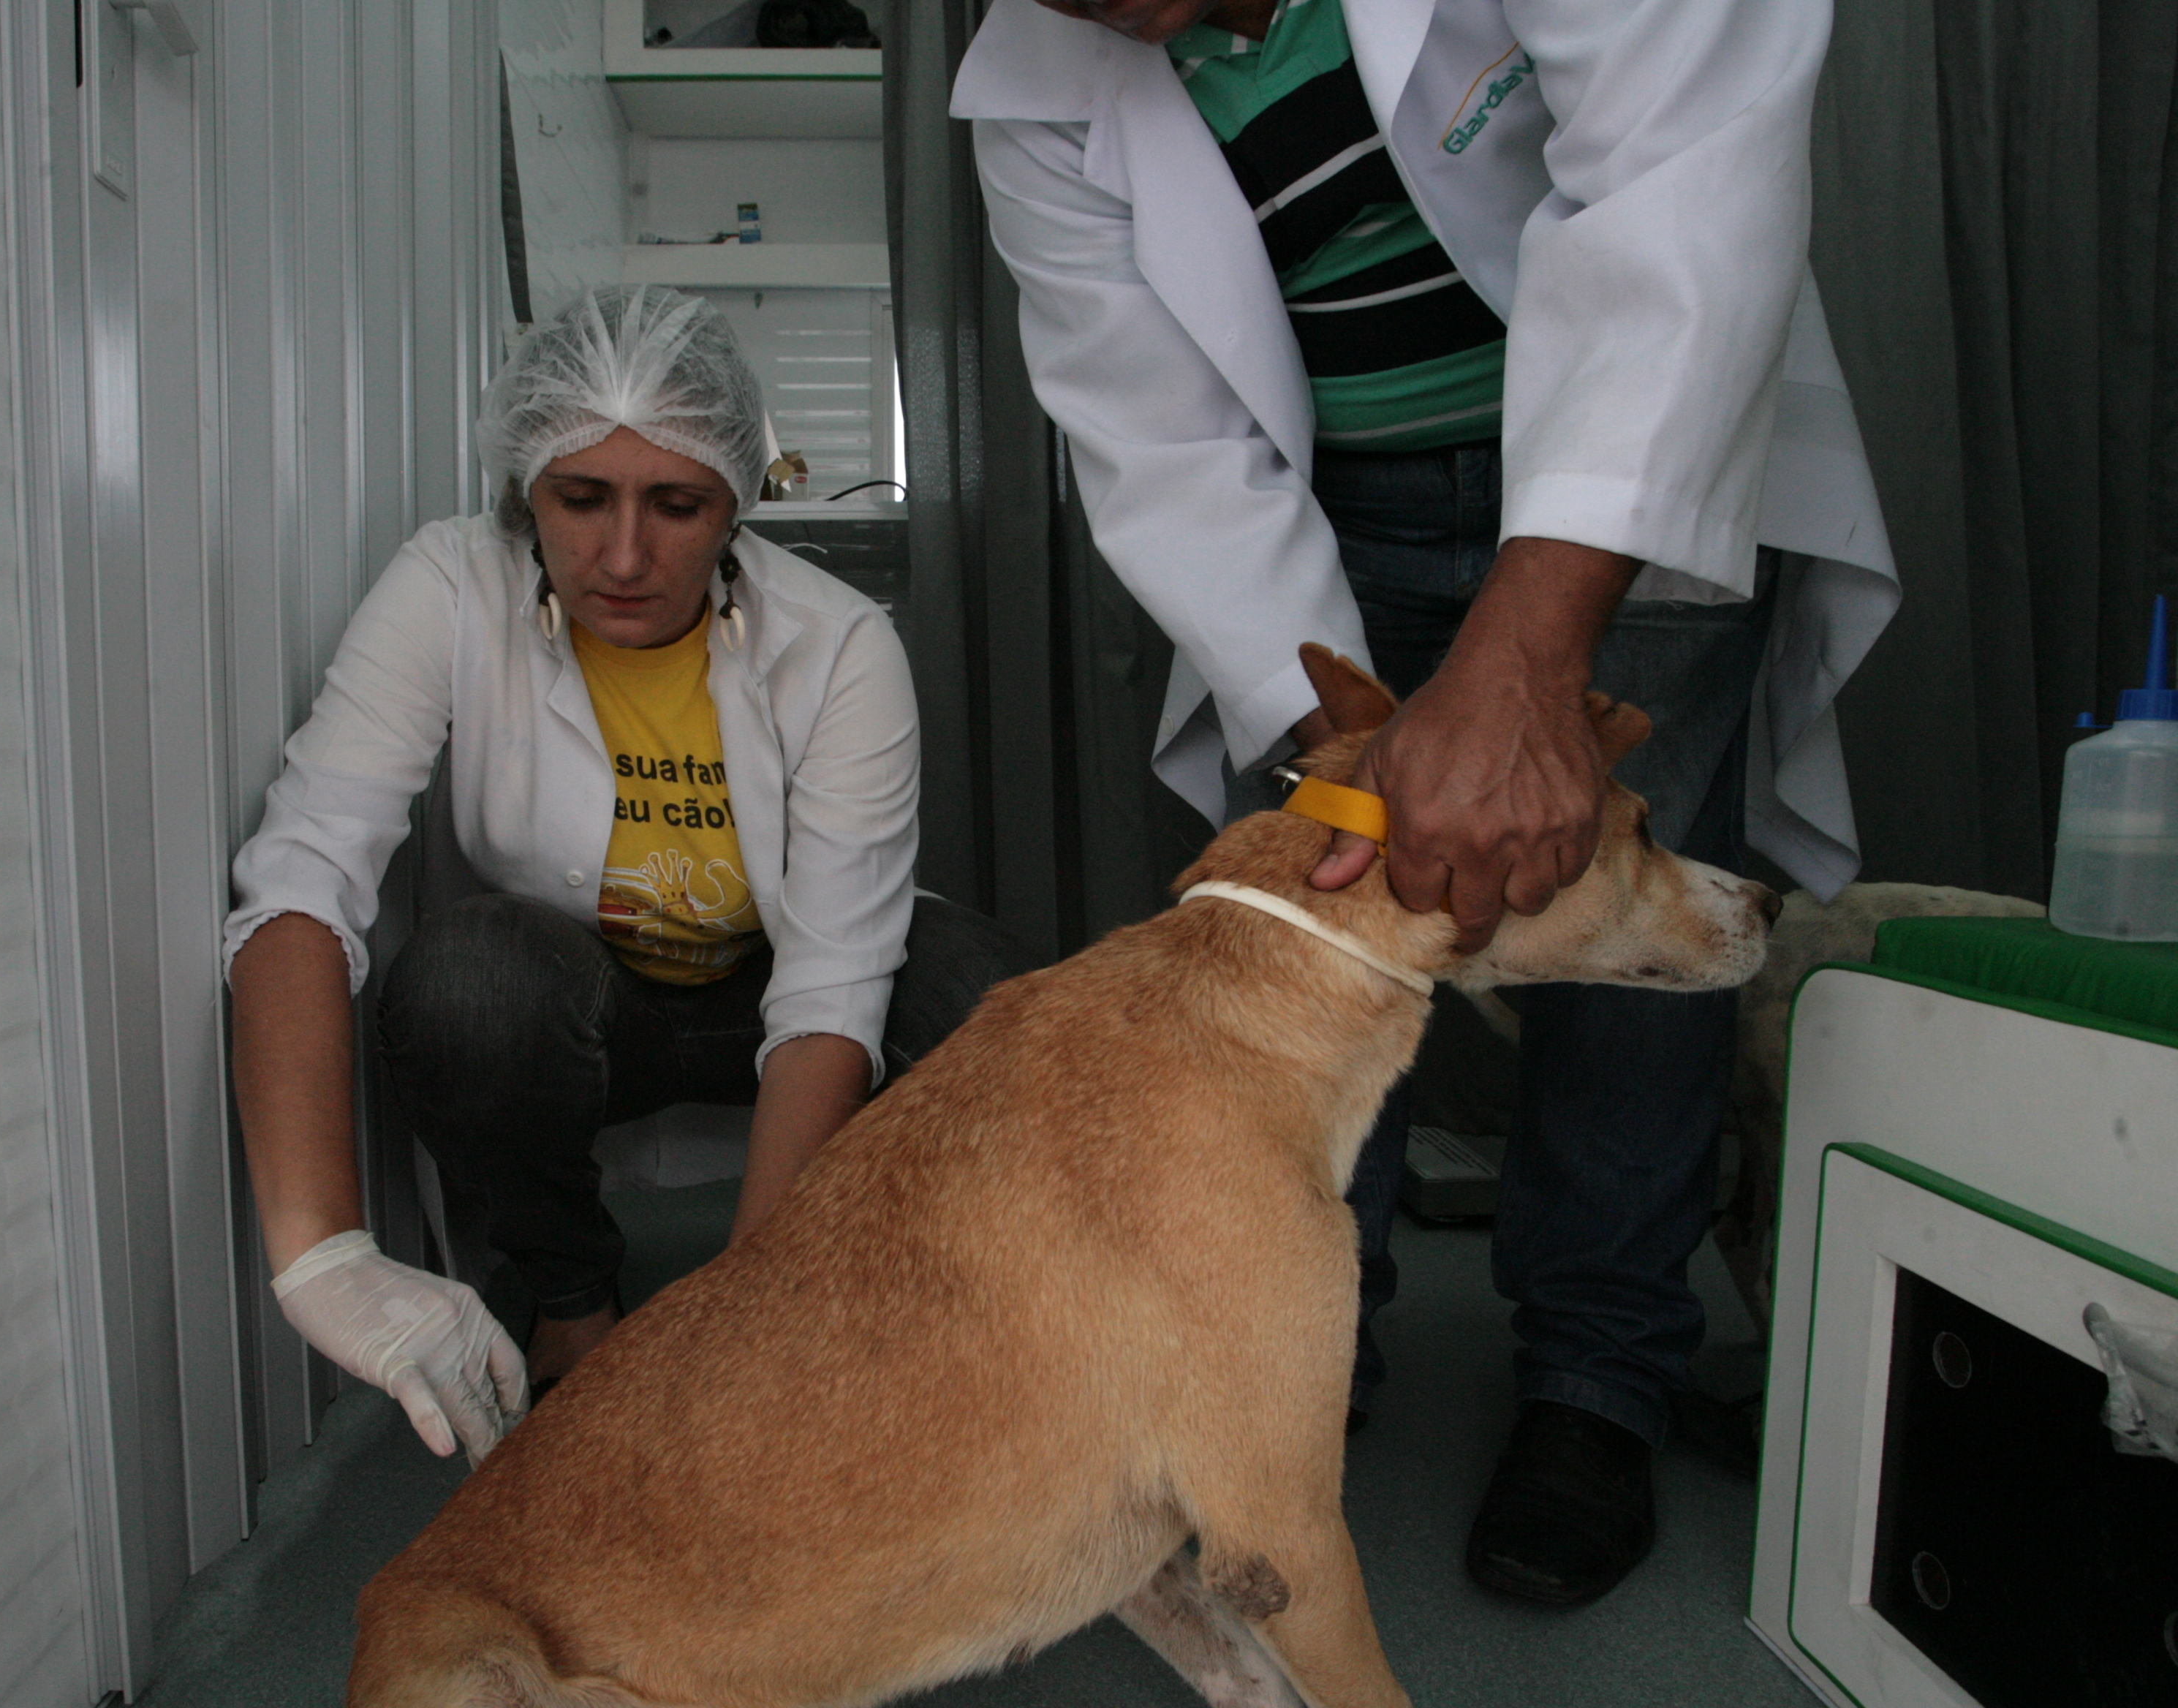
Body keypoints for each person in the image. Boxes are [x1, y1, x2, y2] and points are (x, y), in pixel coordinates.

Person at [952, 0, 1901, 1602]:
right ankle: (1281, 1366)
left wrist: (1534, 653)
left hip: (1630, 464)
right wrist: (1361, 754)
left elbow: (1686, 158)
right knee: (1332, 926)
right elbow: (1171, 452)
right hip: (1339, 508)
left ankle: (1597, 1384)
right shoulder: (1036, 93)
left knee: (1628, 948)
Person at [224, 286, 1024, 1461]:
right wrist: (322, 1255)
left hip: (777, 981)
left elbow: (834, 984)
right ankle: (568, 1302)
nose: (626, 556)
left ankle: (876, 1323)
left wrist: (741, 1327)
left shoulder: (843, 644)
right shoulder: (451, 585)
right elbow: (303, 878)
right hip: (581, 997)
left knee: (991, 1003)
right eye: (580, 498)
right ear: (523, 487)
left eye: (679, 505)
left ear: (741, 502)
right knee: (465, 983)